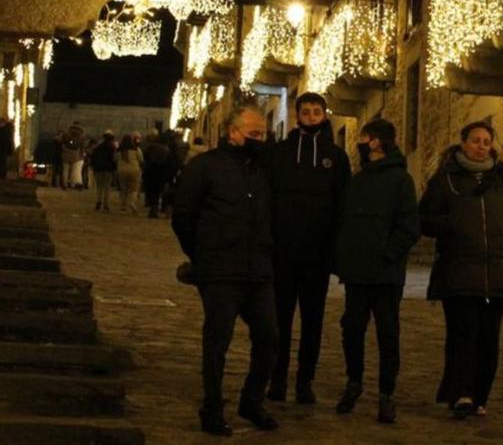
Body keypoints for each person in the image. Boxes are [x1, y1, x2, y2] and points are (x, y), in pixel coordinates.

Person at [171, 105, 278, 436]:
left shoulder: (263, 169)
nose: (261, 139)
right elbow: (183, 217)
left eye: (264, 134)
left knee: (269, 338)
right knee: (218, 342)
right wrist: (202, 254)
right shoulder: (204, 167)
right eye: (254, 134)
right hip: (219, 271)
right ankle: (212, 407)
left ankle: (251, 400)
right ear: (233, 132)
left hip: (257, 270)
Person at [419, 121, 503, 420]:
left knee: (489, 339)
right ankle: (461, 393)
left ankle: (480, 396)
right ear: (463, 143)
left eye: (486, 141)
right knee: (463, 335)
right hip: (459, 270)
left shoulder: (502, 180)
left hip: (497, 272)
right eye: (475, 140)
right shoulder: (445, 180)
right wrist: (451, 224)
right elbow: (424, 218)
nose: (481, 146)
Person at [332, 118, 419, 424]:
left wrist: (388, 255)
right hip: (357, 271)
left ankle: (386, 393)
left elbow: (408, 225)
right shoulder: (357, 180)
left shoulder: (399, 180)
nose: (361, 141)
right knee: (352, 328)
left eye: (365, 136)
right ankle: (353, 381)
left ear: (377, 141)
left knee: (387, 332)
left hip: (385, 272)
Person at [265, 93, 350, 405]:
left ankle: (305, 381)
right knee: (280, 320)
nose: (311, 117)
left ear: (324, 116)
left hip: (317, 255)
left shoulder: (336, 157)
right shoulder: (280, 153)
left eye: (317, 112)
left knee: (312, 321)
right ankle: (277, 378)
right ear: (297, 115)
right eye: (306, 112)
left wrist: (335, 251)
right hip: (283, 253)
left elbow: (343, 204)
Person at [142, 130, 173, 218]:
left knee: (152, 191)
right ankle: (157, 210)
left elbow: (145, 158)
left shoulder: (151, 147)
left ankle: (152, 209)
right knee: (159, 191)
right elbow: (169, 163)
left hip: (151, 171)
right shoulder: (167, 150)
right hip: (161, 173)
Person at [90, 131, 118, 211]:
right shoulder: (112, 148)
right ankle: (106, 204)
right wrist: (114, 168)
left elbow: (93, 158)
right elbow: (114, 160)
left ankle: (98, 202)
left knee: (99, 187)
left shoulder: (97, 147)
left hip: (99, 169)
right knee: (107, 187)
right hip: (108, 169)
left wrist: (94, 167)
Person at [116, 135, 143, 214]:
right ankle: (132, 203)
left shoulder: (119, 151)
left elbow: (114, 159)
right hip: (134, 170)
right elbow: (141, 159)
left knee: (123, 190)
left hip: (122, 171)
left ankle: (123, 207)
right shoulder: (136, 149)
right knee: (134, 189)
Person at [62, 122, 86, 190]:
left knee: (65, 169)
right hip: (76, 154)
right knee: (74, 170)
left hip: (66, 152)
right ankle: (72, 184)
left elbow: (62, 141)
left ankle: (65, 184)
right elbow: (82, 146)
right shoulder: (81, 134)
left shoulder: (67, 133)